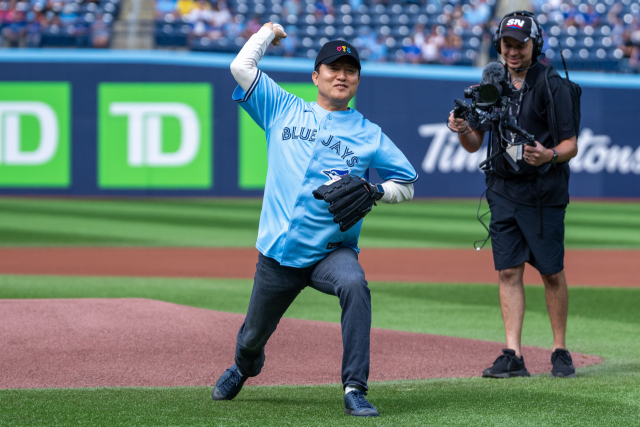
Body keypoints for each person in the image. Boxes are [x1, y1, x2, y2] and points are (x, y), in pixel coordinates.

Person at [211, 24, 418, 417]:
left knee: (355, 285)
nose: (342, 76)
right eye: (333, 68)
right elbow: (241, 67)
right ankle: (242, 367)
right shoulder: (282, 106)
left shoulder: (369, 134)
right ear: (315, 76)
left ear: (357, 79)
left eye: (350, 70)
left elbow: (406, 182)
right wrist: (267, 33)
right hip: (277, 255)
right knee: (252, 338)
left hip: (330, 252)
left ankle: (355, 387)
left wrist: (377, 191)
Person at [448, 11, 578, 378]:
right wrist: (460, 126)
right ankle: (513, 353)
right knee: (507, 271)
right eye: (507, 44)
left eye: (520, 44)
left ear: (535, 44)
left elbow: (571, 144)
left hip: (543, 191)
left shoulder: (552, 85)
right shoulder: (493, 80)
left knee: (551, 272)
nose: (513, 51)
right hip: (502, 188)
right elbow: (474, 144)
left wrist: (549, 155)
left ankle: (560, 350)